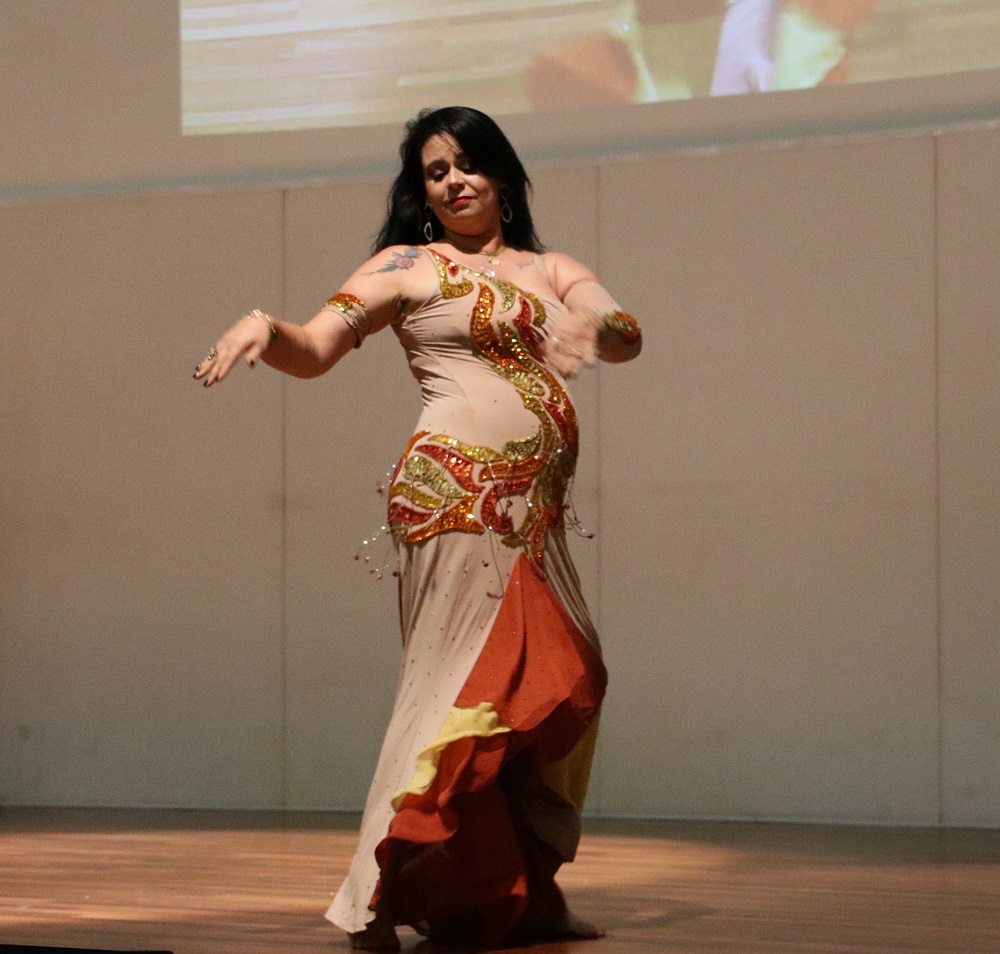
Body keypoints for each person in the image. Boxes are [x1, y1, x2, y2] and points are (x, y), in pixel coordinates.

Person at [194, 106, 642, 951]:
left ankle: (520, 895)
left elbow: (623, 333)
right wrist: (266, 327)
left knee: (561, 682)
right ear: (422, 192)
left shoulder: (551, 268)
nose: (454, 181)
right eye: (436, 172)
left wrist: (595, 324)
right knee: (456, 694)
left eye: (468, 164)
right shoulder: (405, 264)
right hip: (455, 500)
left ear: (501, 174)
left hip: (533, 515)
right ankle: (371, 901)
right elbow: (315, 347)